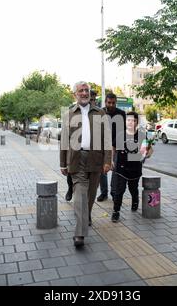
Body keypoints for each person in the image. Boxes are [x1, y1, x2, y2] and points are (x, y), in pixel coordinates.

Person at [60, 81, 112, 247]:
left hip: (96, 158)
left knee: (90, 196)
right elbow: (64, 141)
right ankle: (80, 234)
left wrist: (107, 161)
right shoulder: (69, 114)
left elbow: (107, 138)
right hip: (77, 159)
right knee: (80, 196)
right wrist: (63, 163)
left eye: (86, 90)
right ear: (74, 94)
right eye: (81, 90)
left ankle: (86, 215)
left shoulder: (100, 113)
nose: (84, 93)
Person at [111, 112, 152, 222]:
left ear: (137, 122)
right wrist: (111, 160)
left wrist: (147, 154)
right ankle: (116, 211)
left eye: (133, 121)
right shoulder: (120, 135)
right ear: (125, 122)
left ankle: (135, 201)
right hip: (121, 168)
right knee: (119, 190)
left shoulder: (141, 135)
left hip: (135, 168)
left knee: (133, 188)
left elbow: (149, 149)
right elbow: (113, 148)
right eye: (128, 120)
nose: (131, 122)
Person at [96, 93, 126, 203]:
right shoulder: (100, 112)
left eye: (113, 103)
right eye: (109, 102)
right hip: (102, 147)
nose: (111, 105)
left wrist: (114, 147)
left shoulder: (121, 114)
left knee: (115, 170)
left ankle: (114, 192)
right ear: (105, 102)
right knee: (102, 171)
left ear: (116, 102)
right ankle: (104, 193)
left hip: (116, 146)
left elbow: (122, 132)